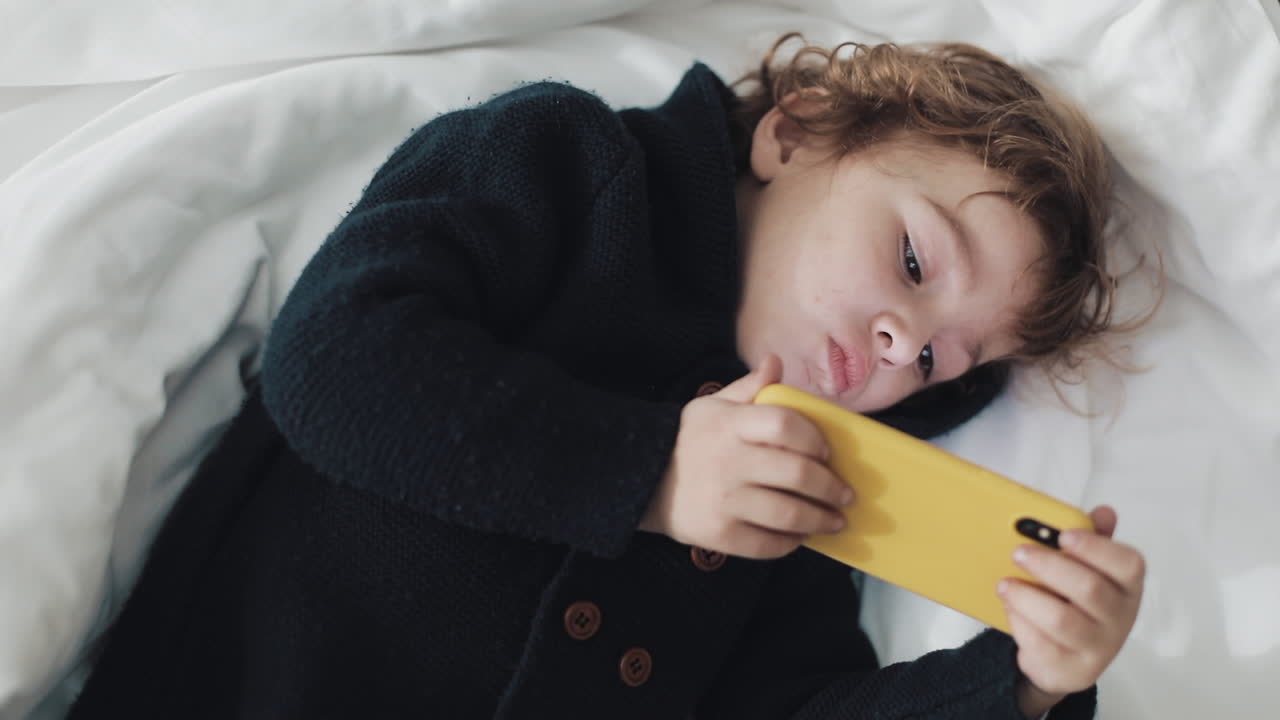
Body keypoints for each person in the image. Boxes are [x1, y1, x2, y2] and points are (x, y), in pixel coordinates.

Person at [68, 36, 1145, 719]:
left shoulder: (812, 484)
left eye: (939, 358)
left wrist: (1021, 685)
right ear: (795, 131)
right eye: (911, 262)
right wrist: (653, 477)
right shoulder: (572, 173)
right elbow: (333, 359)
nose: (895, 348)